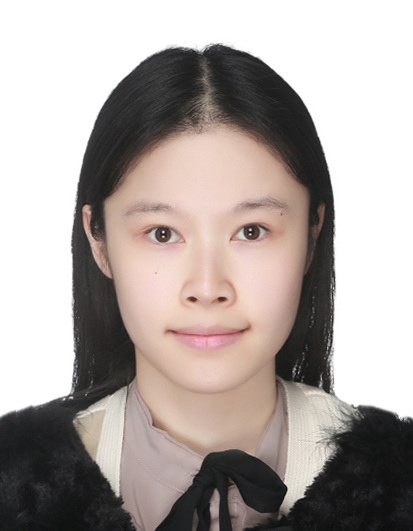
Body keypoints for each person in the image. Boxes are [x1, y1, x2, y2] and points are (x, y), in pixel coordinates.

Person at [1, 45, 412, 531]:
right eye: (162, 234)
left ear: (312, 234)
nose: (207, 287)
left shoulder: (398, 486)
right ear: (99, 240)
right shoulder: (16, 486)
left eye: (252, 231)